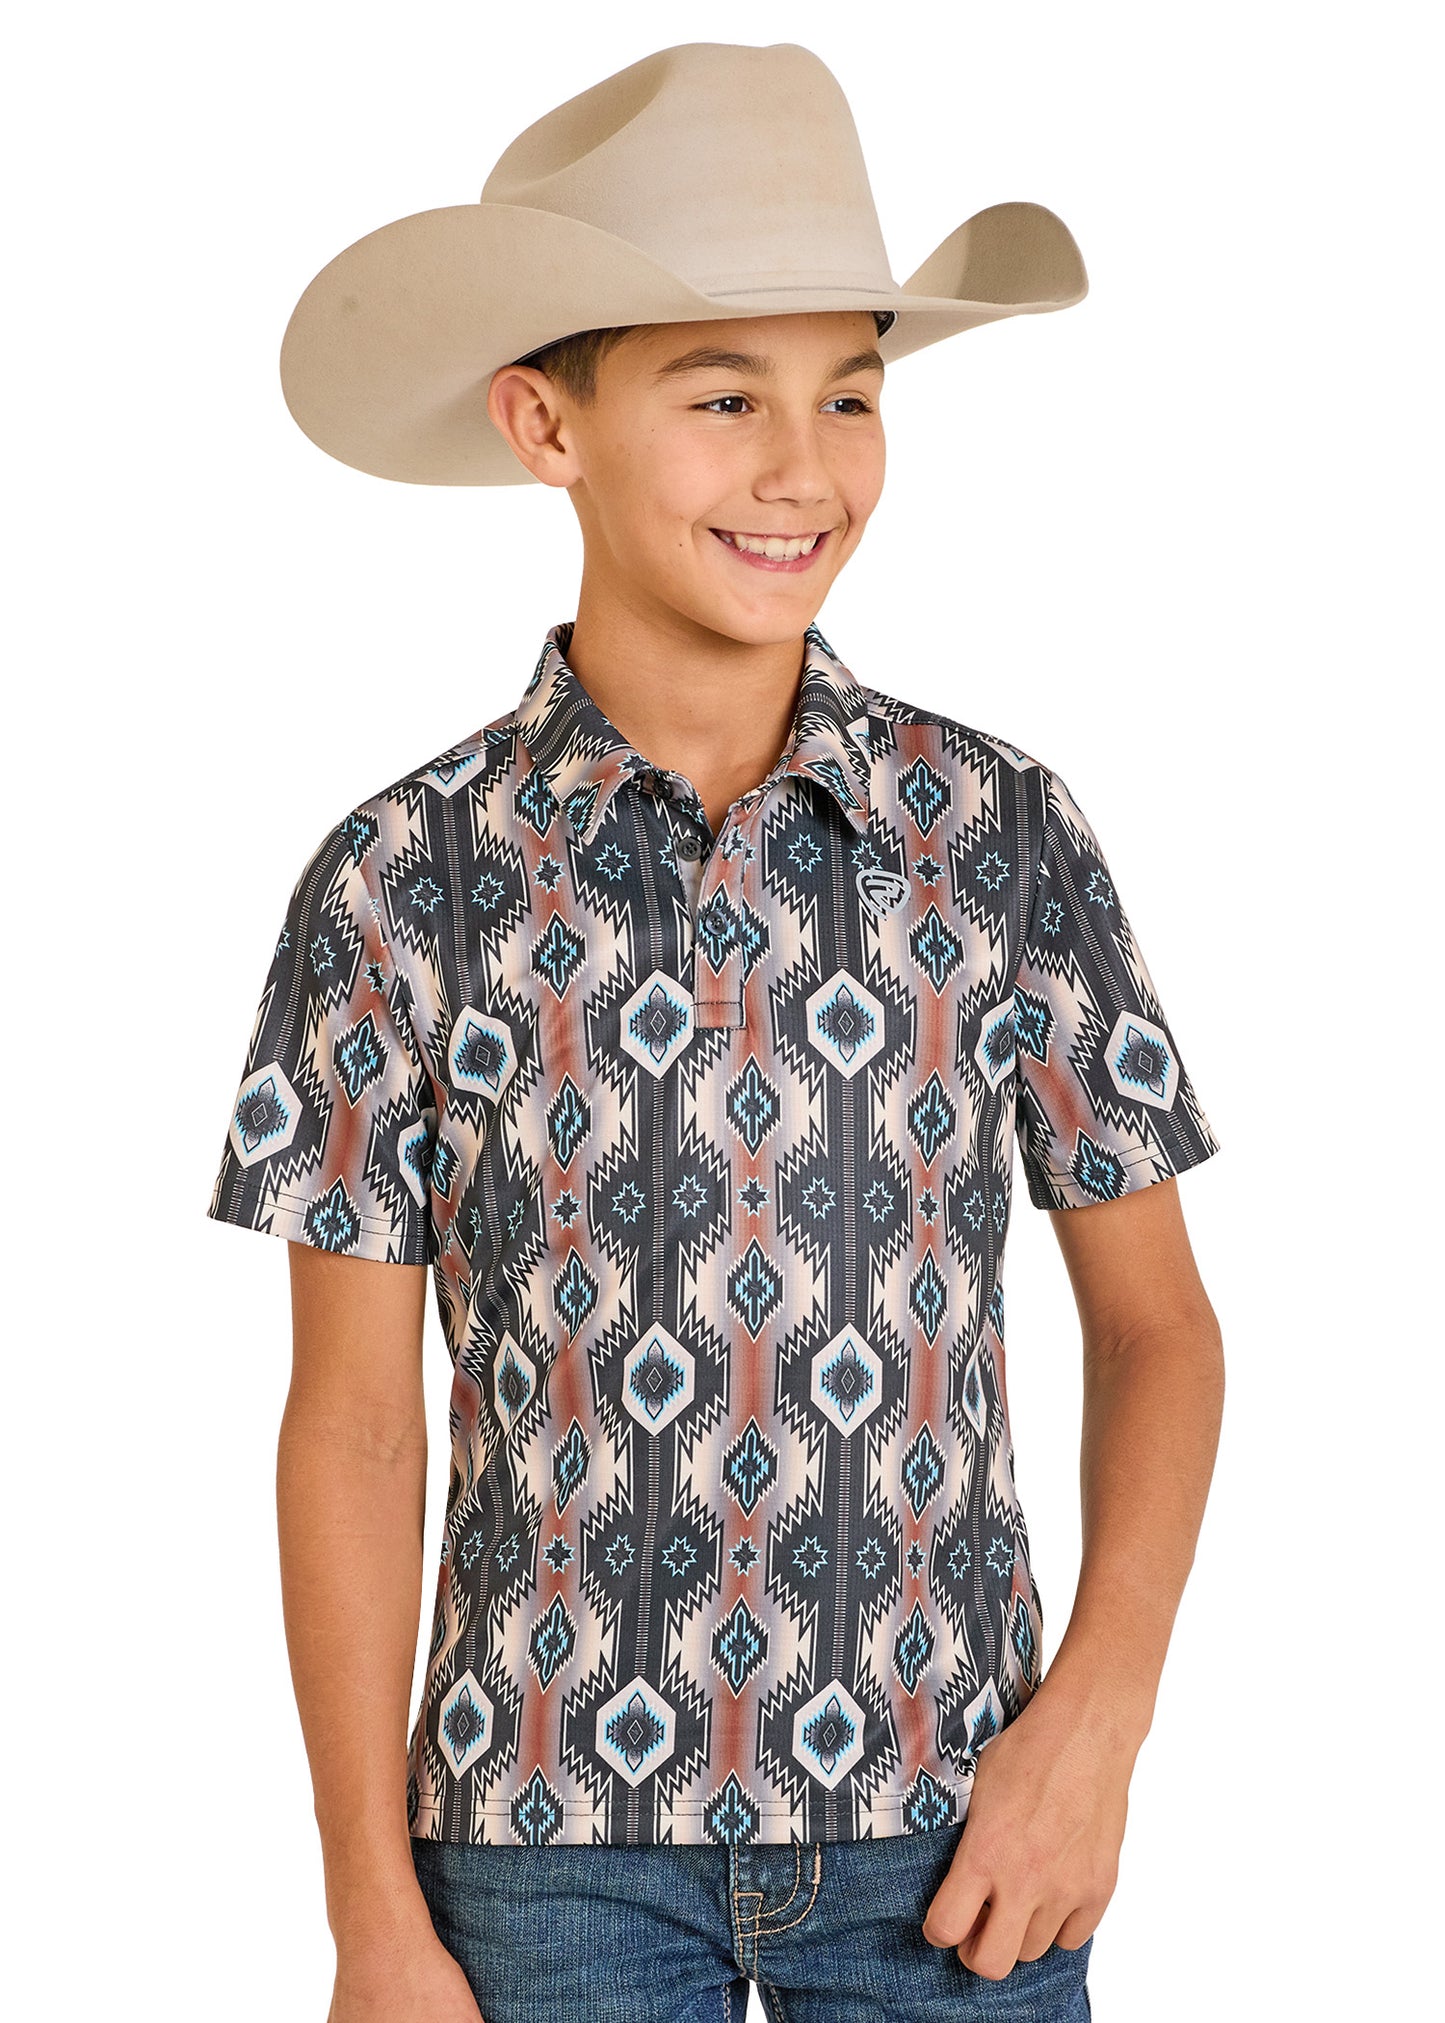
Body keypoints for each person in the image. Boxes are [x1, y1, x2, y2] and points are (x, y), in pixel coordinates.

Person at [206, 39, 1225, 2023]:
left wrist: (1092, 1732)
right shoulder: (399, 881)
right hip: (542, 1841)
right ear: (543, 424)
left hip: (956, 1822)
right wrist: (367, 1919)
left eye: (850, 393)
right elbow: (347, 1418)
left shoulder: (1000, 838)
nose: (803, 467)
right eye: (721, 394)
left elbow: (1163, 1324)